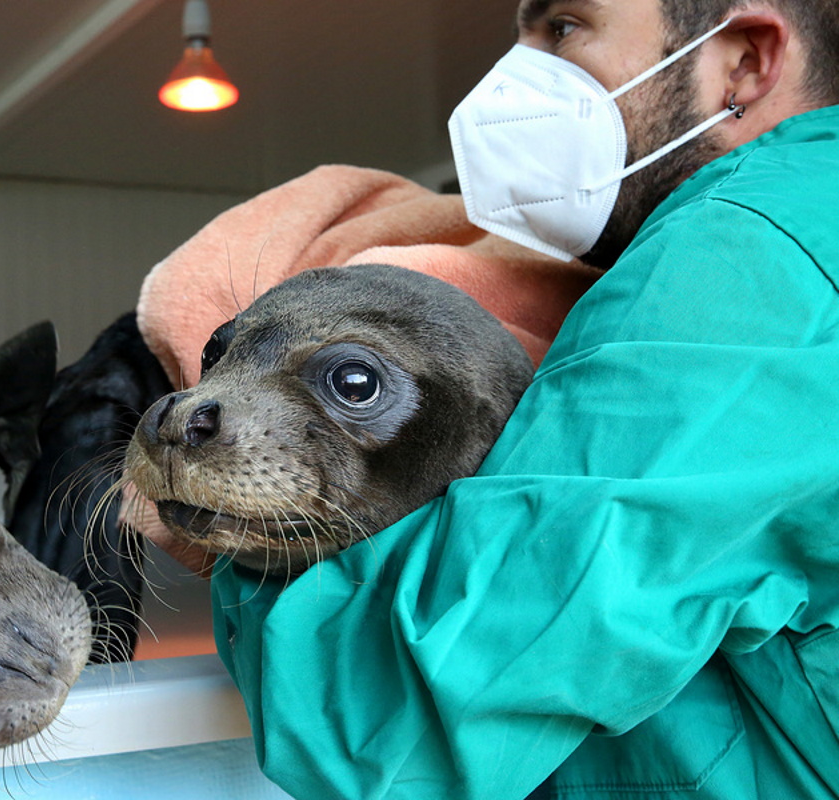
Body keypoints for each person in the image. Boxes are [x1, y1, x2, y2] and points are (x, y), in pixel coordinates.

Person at [141, 0, 839, 797]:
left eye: (564, 28)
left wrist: (252, 541)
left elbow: (385, 718)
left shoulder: (744, 256)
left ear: (744, 61)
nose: (508, 81)